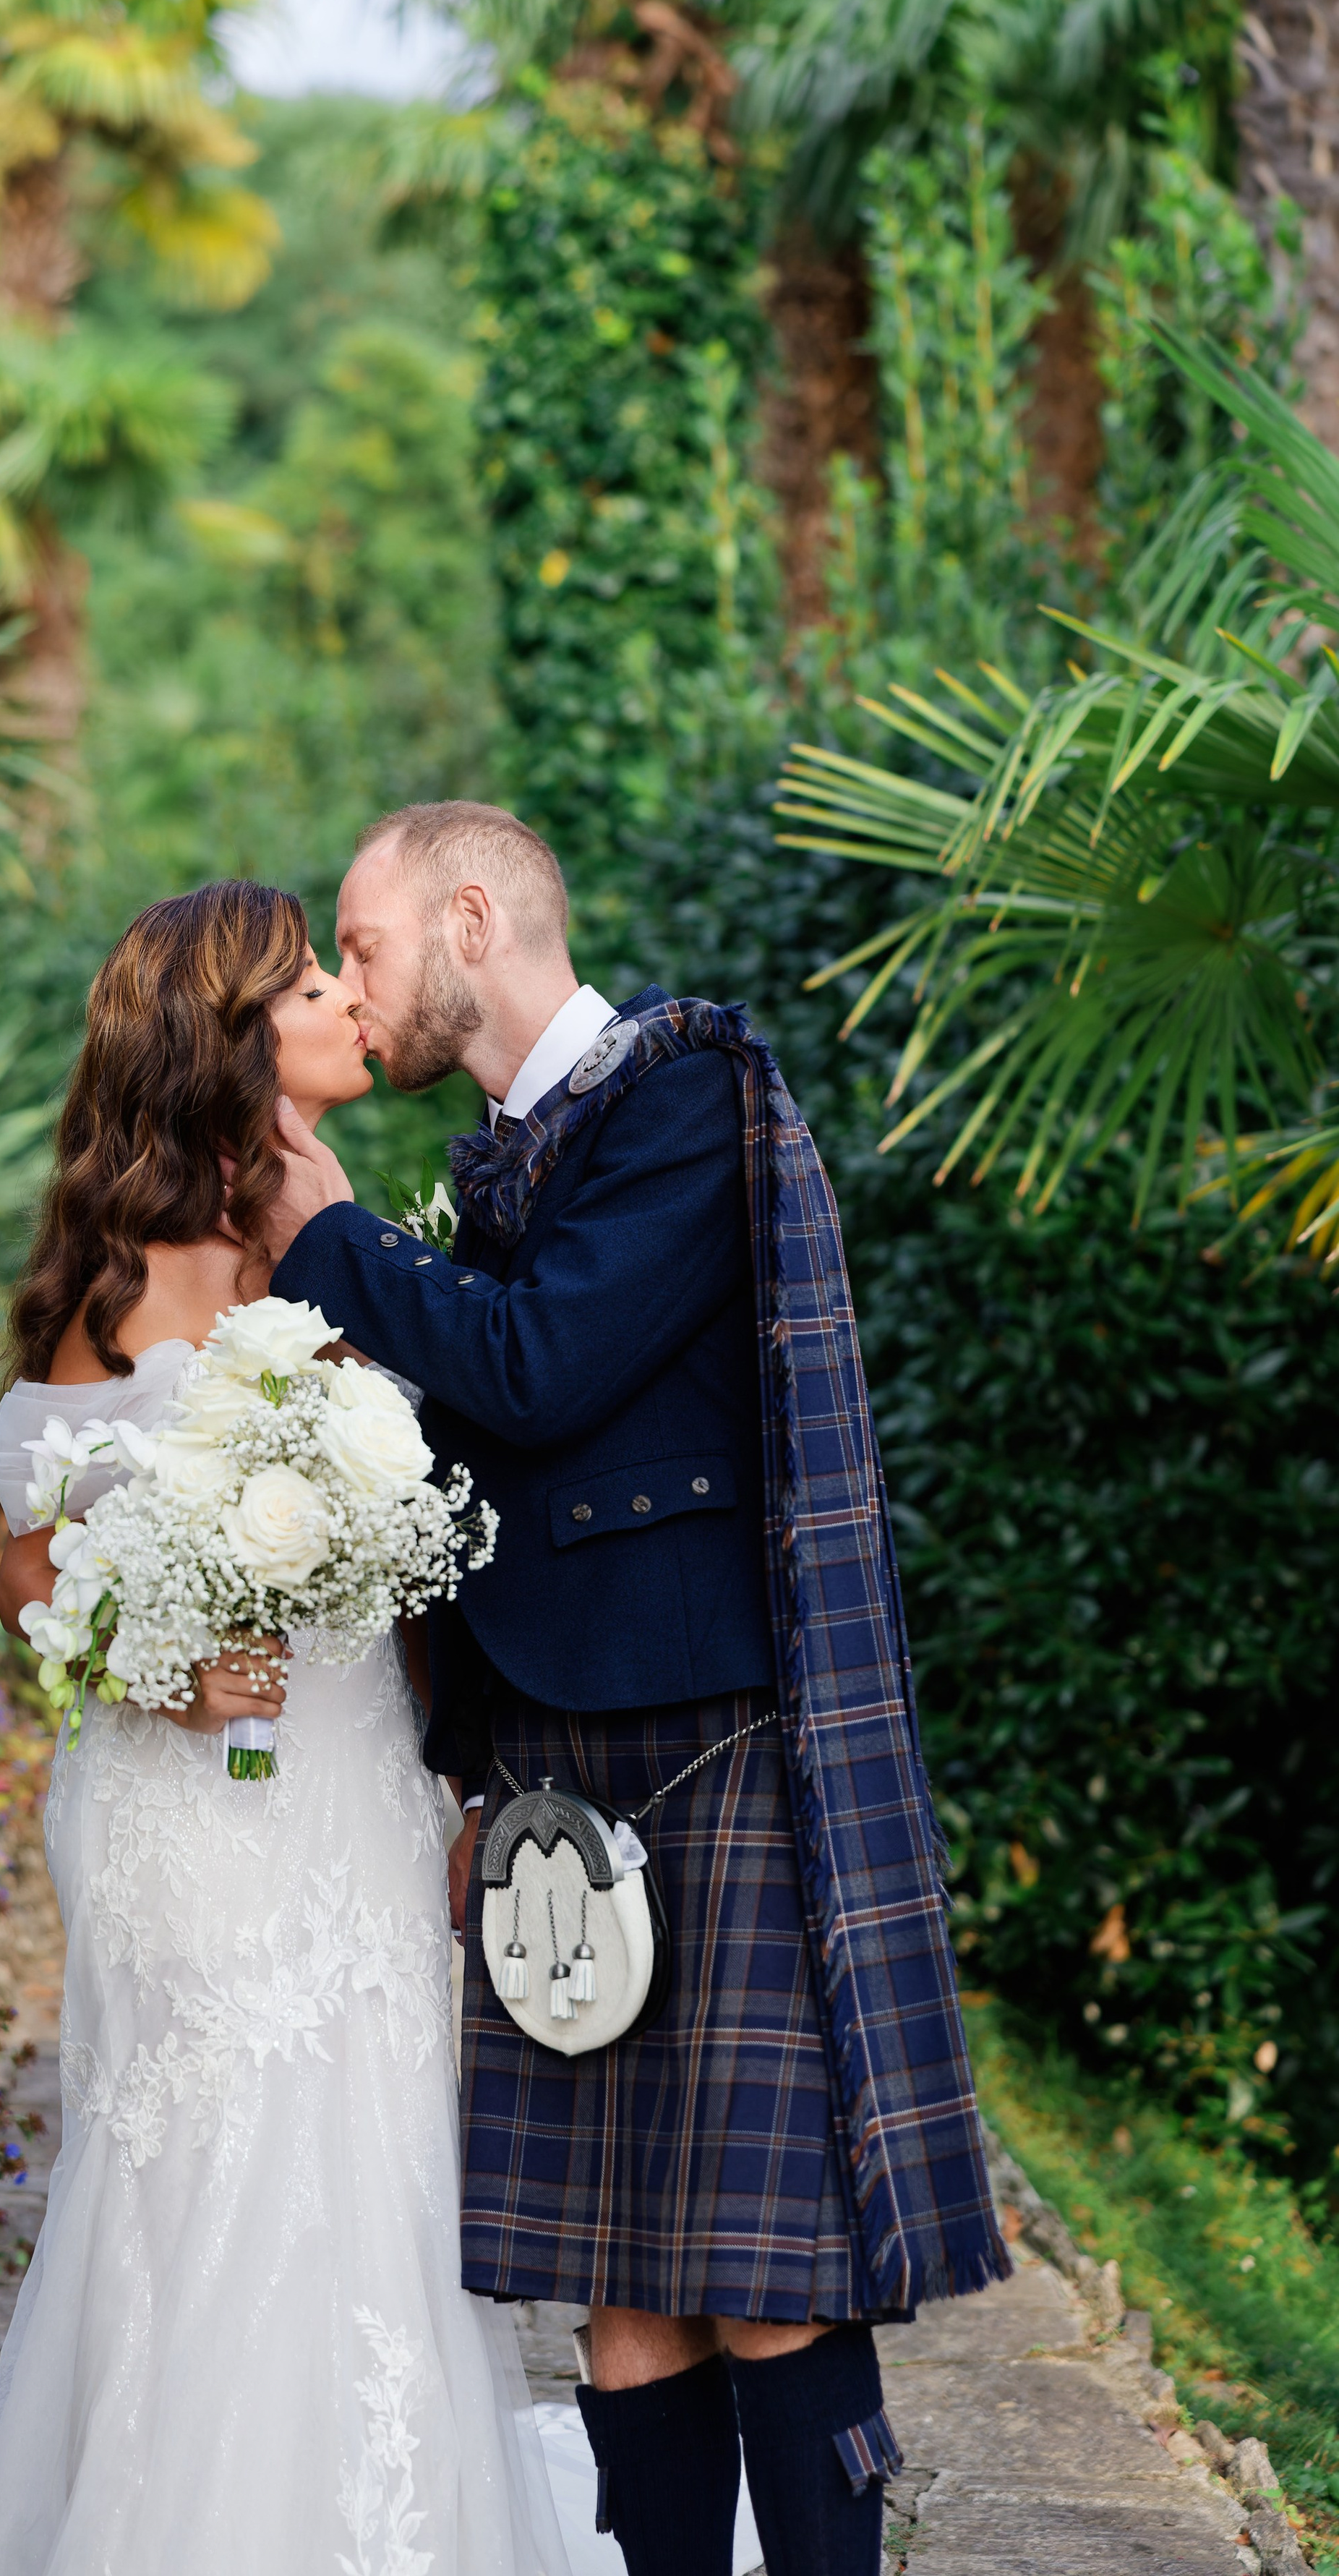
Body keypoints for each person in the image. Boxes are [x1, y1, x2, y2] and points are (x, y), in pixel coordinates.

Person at [255, 802, 1010, 2576]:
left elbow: (540, 1369)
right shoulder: (506, 1153)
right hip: (547, 1761)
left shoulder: (682, 1092)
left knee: (764, 2270)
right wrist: (463, 1766)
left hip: (706, 1747)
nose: (350, 990)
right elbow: (463, 1480)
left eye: (357, 947)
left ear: (464, 918)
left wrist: (334, 1238)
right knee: (614, 2290)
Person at [0, 883, 570, 2576]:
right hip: (184, 1804)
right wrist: (158, 1664)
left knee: (374, 2157)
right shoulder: (122, 1273)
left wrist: (460, 1768)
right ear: (237, 1037)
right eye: (311, 979)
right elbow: (27, 1561)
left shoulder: (355, 1233)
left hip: (353, 1783)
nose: (342, 996)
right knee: (209, 2161)